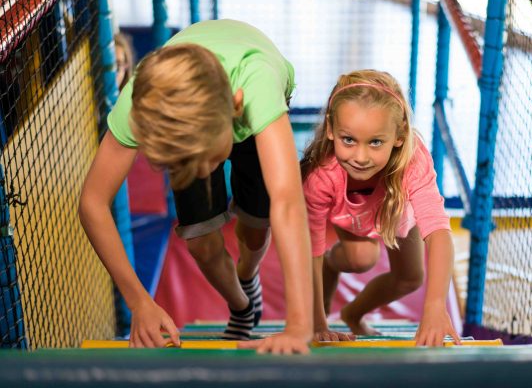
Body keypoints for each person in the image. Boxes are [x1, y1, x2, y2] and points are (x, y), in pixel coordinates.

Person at [79, 19, 313, 354]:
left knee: (257, 229)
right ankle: (242, 306)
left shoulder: (258, 86)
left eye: (207, 158)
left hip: (247, 99)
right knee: (201, 242)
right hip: (195, 112)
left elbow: (288, 204)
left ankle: (249, 274)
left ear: (235, 106)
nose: (203, 172)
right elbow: (92, 203)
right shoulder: (141, 104)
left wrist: (299, 324)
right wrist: (139, 301)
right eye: (188, 165)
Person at [301, 69, 460, 346]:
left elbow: (438, 231)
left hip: (396, 209)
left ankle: (353, 313)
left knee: (410, 278)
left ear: (399, 136)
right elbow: (310, 249)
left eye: (376, 142)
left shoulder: (412, 160)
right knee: (361, 257)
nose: (361, 157)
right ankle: (334, 264)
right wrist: (316, 322)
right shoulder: (321, 176)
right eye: (348, 140)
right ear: (330, 129)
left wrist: (435, 306)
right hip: (350, 214)